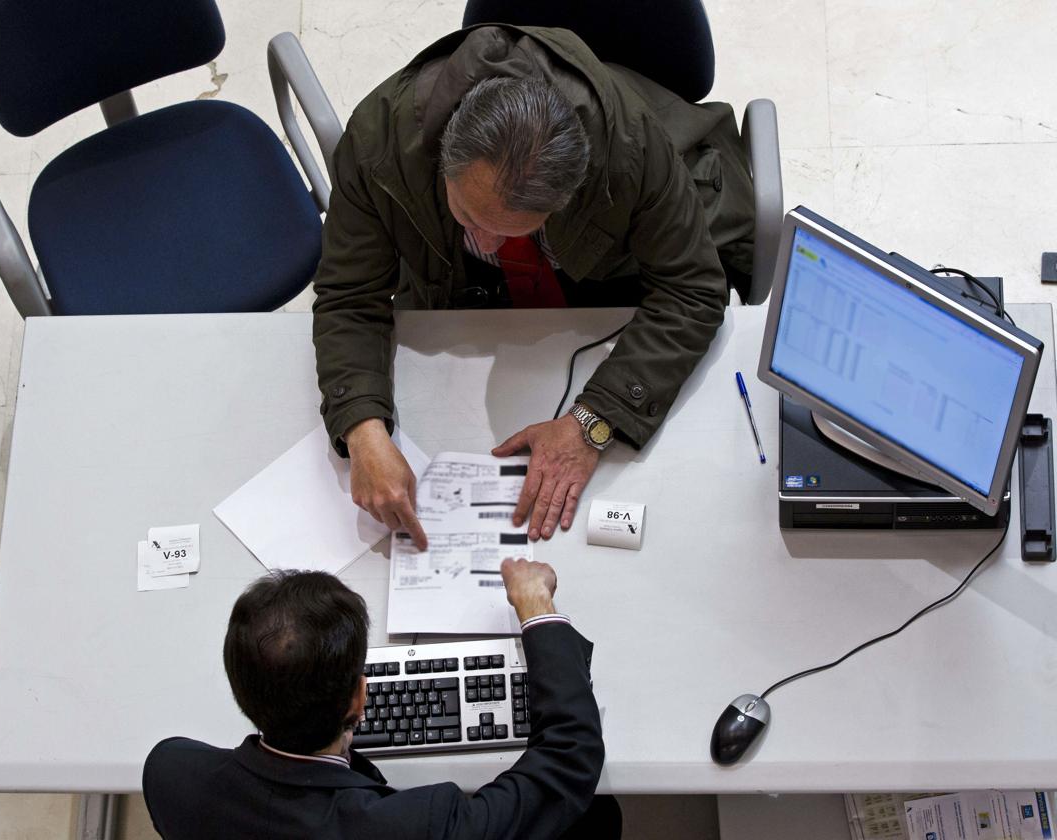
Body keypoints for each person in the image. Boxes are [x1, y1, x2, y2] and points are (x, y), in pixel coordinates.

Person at [314, 24, 755, 550]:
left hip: (593, 299)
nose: (485, 242)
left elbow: (692, 288)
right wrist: (363, 429)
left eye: (510, 230)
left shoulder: (630, 148)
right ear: (443, 160)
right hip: (456, 311)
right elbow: (349, 295)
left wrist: (594, 419)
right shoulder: (378, 143)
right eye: (468, 214)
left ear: (567, 198)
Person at [142, 558, 619, 839]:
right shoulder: (417, 826)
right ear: (359, 696)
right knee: (599, 816)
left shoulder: (171, 775)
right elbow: (568, 761)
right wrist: (537, 607)